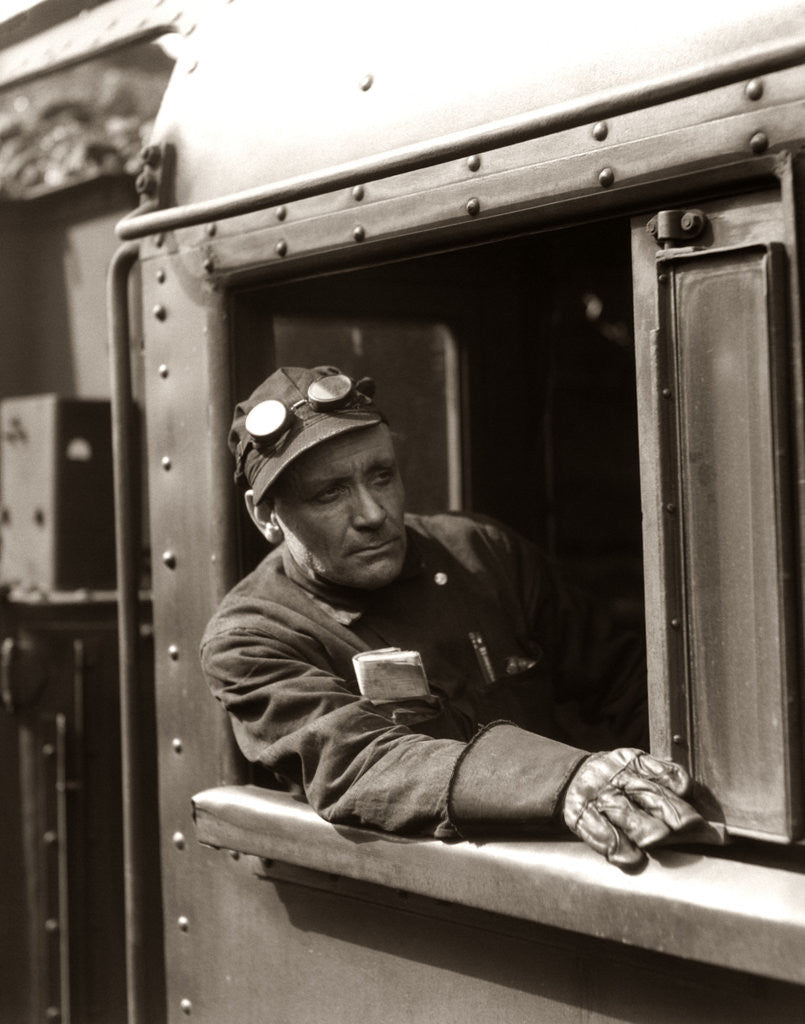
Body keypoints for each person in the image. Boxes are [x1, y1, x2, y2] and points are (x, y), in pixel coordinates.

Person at [200, 365, 705, 869]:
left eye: (382, 476)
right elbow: (362, 761)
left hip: (596, 858)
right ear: (265, 516)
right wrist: (564, 778)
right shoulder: (250, 638)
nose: (373, 513)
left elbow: (627, 683)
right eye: (329, 494)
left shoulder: (482, 552)